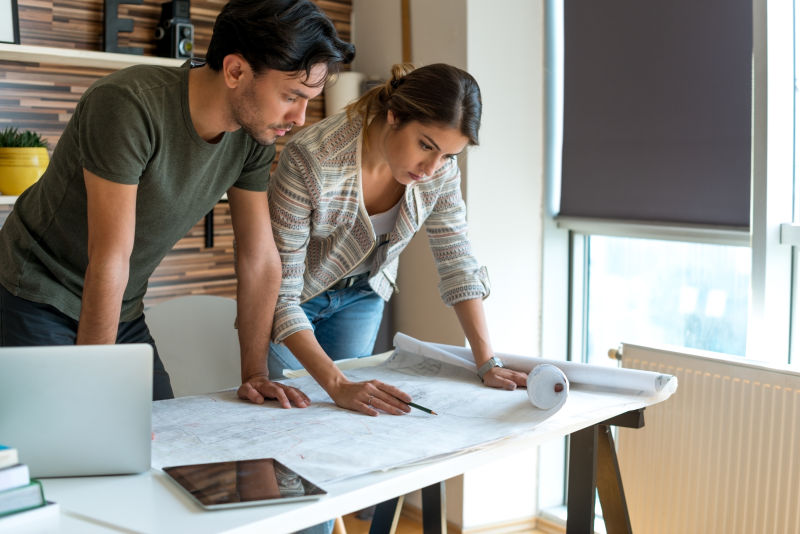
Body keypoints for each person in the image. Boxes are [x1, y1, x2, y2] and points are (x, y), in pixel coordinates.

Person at [0, 0, 355, 406]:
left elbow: (259, 258)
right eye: (292, 96)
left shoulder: (252, 136)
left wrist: (254, 374)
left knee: (159, 433)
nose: (300, 117)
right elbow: (110, 256)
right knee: (70, 446)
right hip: (36, 291)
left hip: (122, 303)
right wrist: (94, 388)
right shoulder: (128, 104)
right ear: (235, 71)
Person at [268, 63, 529, 416]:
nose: (431, 168)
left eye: (448, 155)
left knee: (347, 421)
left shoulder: (440, 171)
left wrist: (487, 363)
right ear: (394, 116)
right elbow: (280, 294)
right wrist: (337, 384)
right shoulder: (311, 159)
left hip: (363, 296)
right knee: (286, 414)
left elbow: (456, 260)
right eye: (426, 145)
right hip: (297, 302)